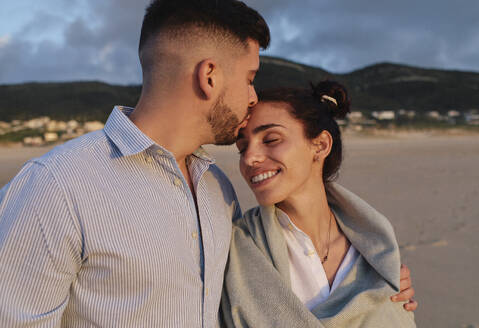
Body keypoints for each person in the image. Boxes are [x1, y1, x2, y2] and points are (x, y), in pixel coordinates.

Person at [0, 1, 414, 327]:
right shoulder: (56, 186)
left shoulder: (218, 191)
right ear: (210, 76)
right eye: (250, 77)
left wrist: (375, 287)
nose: (253, 97)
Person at [221, 80, 417, 327]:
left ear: (320, 145)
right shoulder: (235, 249)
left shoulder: (376, 257)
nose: (250, 158)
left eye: (271, 140)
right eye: (242, 147)